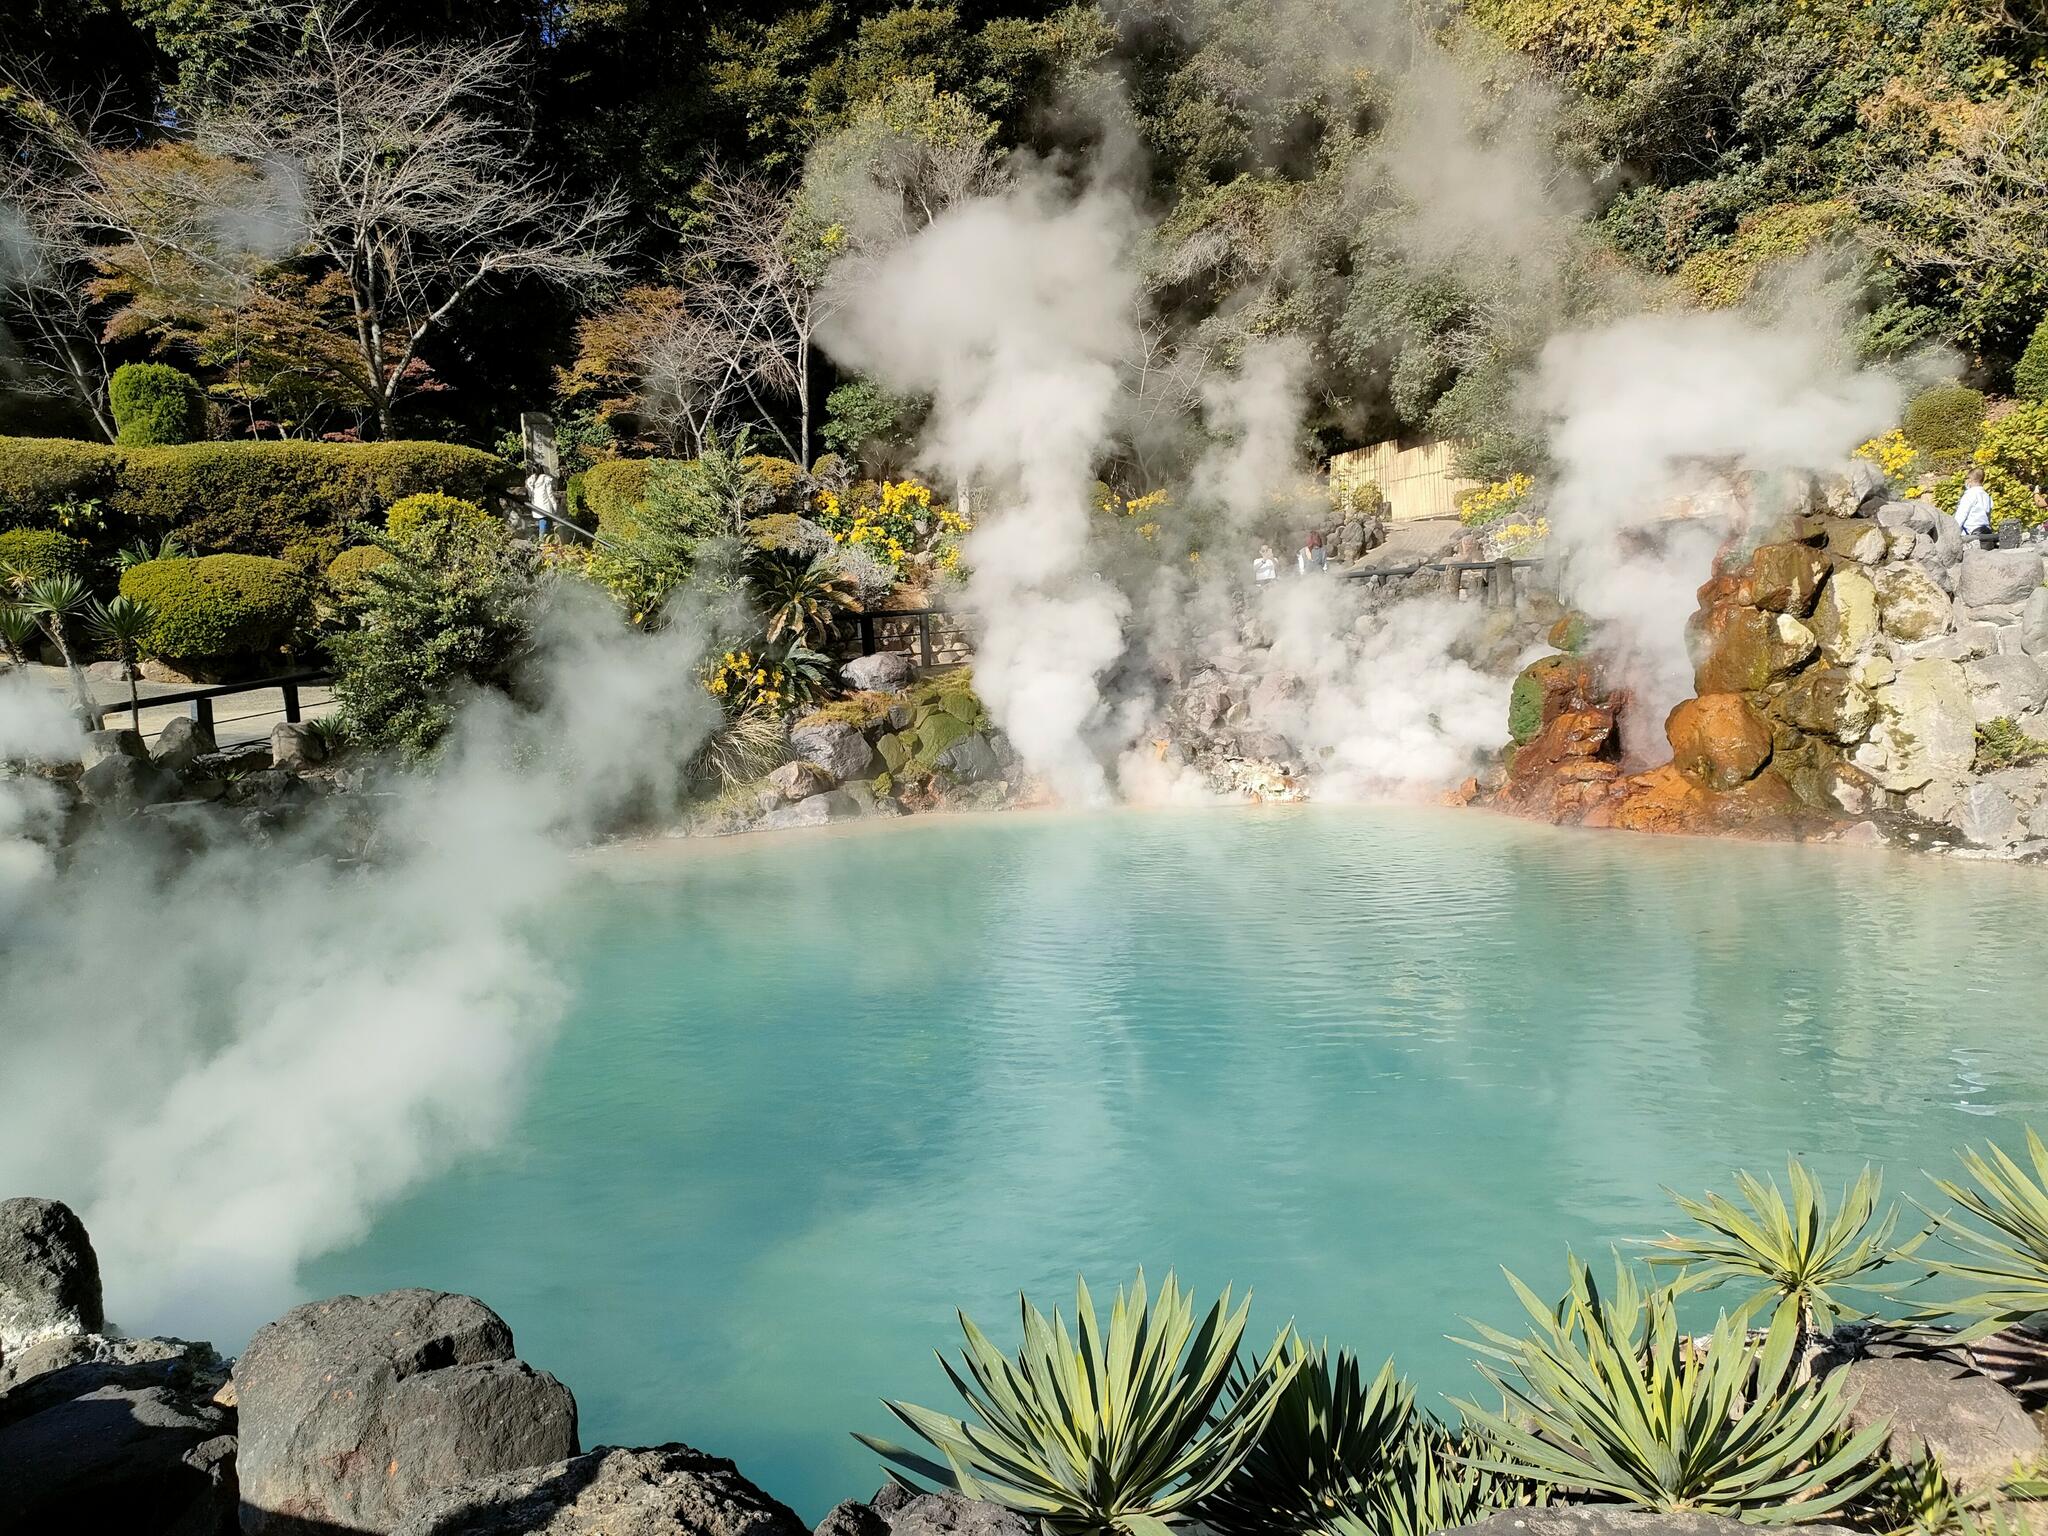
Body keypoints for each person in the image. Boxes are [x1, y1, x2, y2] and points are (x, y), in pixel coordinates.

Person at [1956, 467, 1994, 547]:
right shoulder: (1987, 496)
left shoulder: (1969, 495)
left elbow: (1960, 516)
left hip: (1972, 535)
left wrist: (1953, 532)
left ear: (1970, 479)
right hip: (1986, 533)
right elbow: (1989, 516)